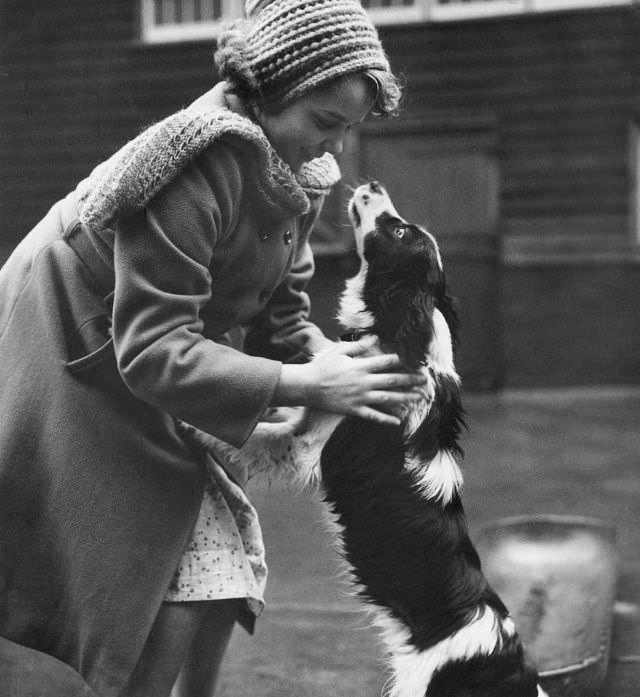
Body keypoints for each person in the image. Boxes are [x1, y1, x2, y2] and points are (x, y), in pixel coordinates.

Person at [0, 1, 424, 695]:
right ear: (270, 91)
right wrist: (304, 386)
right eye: (325, 123)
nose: (337, 148)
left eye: (350, 129)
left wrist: (322, 360)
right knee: (171, 554)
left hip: (142, 346)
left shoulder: (296, 171)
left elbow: (283, 309)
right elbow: (154, 350)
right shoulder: (189, 166)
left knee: (221, 558)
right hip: (73, 339)